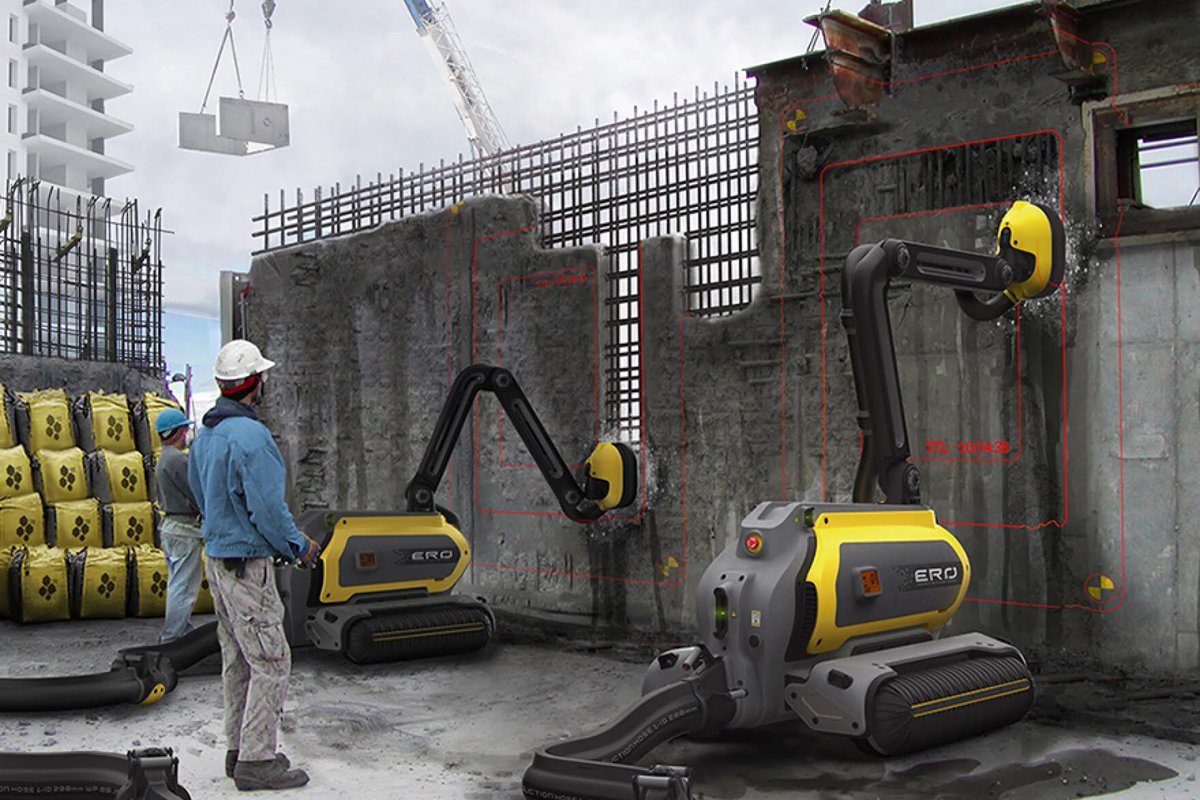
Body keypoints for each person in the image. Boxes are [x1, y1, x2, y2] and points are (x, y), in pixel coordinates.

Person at [188, 339, 321, 791]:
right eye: (262, 376)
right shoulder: (252, 437)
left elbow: (199, 494)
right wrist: (298, 547)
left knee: (238, 659)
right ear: (254, 382)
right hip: (246, 565)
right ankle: (258, 761)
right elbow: (267, 509)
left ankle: (239, 750)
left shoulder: (205, 436)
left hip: (216, 560)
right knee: (271, 660)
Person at [154, 407, 203, 644]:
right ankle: (173, 637)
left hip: (171, 527)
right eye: (184, 430)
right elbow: (196, 493)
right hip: (184, 529)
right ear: (177, 432)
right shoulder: (177, 460)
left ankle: (181, 628)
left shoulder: (164, 458)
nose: (187, 435)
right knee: (184, 587)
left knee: (176, 583)